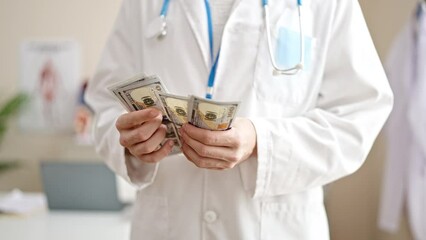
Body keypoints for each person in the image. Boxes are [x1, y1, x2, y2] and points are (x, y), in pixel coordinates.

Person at [85, 0, 393, 239]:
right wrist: (131, 143)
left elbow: (359, 114)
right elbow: (103, 104)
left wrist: (263, 141)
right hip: (166, 226)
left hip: (277, 227)